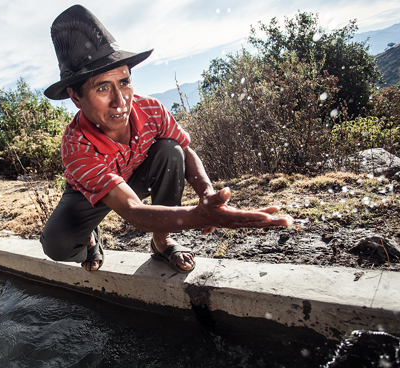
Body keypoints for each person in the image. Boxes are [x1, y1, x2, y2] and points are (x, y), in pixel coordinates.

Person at [40, 5, 292, 273]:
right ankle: (90, 237)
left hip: (135, 176)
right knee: (58, 245)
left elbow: (186, 150)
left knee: (172, 150)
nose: (120, 101)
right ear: (76, 96)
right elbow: (132, 209)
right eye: (102, 88)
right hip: (89, 196)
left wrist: (207, 194)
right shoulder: (76, 145)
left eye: (124, 82)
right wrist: (196, 217)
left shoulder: (151, 110)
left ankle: (163, 242)